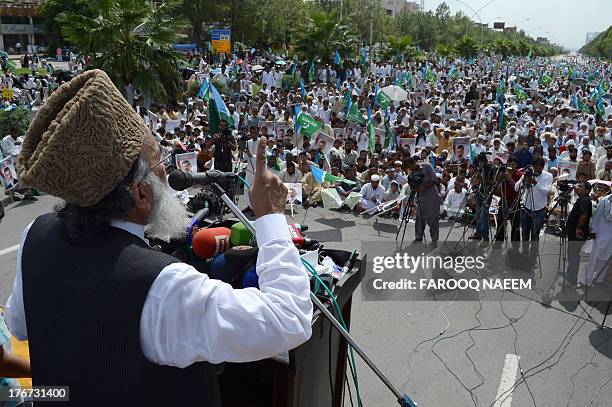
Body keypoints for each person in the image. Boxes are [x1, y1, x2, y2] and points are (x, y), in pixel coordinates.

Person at [5, 70, 312, 404]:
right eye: (161, 161)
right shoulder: (163, 287)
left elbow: (22, 327)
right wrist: (270, 216)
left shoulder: (34, 236)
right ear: (140, 194)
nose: (169, 172)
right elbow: (290, 319)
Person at [514, 157, 553, 247]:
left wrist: (535, 183)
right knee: (524, 233)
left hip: (539, 209)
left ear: (543, 167)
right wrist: (524, 179)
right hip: (526, 208)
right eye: (535, 168)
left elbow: (547, 191)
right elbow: (516, 188)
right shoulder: (528, 173)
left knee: (535, 234)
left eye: (539, 168)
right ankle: (524, 252)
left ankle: (533, 254)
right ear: (533, 166)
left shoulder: (548, 176)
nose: (537, 170)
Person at [580, 191, 612, 286]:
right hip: (601, 233)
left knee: (606, 258)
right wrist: (593, 231)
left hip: (610, 236)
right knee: (594, 258)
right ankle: (586, 280)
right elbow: (596, 216)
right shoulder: (605, 201)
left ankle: (599, 278)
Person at [406, 157, 440, 244]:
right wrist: (413, 185)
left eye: (412, 166)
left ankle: (434, 239)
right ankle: (418, 237)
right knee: (419, 217)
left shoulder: (427, 166)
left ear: (415, 162)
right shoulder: (412, 173)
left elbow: (435, 179)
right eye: (410, 167)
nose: (412, 168)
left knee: (433, 219)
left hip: (432, 196)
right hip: (421, 197)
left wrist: (423, 187)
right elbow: (412, 186)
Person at [565, 182, 593, 287]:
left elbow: (584, 216)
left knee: (573, 257)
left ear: (586, 190)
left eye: (581, 186)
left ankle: (571, 281)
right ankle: (569, 276)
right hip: (574, 232)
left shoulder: (585, 200)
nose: (577, 187)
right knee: (572, 255)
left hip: (578, 233)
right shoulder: (582, 199)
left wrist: (578, 228)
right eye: (577, 185)